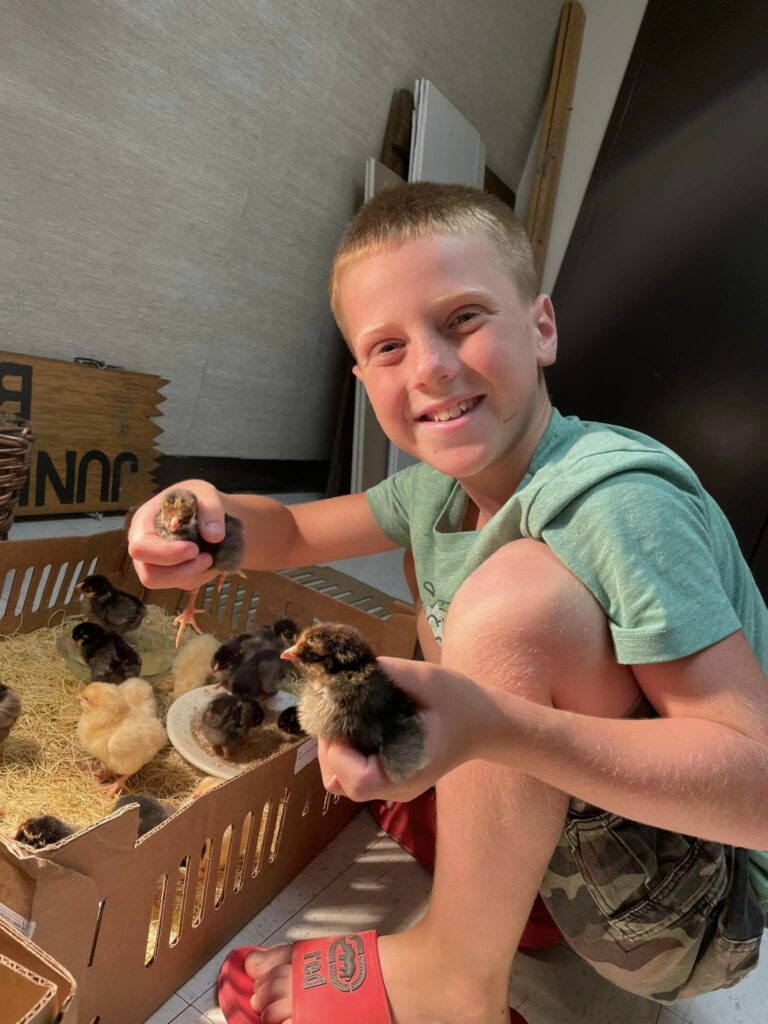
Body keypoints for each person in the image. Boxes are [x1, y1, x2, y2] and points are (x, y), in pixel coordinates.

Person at [129, 183, 768, 1024]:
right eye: (388, 347)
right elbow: (291, 529)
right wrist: (207, 520)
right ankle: (505, 876)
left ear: (542, 327)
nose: (429, 366)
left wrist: (499, 730)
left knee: (510, 599)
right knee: (442, 578)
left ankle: (455, 979)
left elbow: (756, 790)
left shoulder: (619, 502)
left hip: (704, 907)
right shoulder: (435, 491)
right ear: (363, 379)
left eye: (463, 318)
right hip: (597, 813)